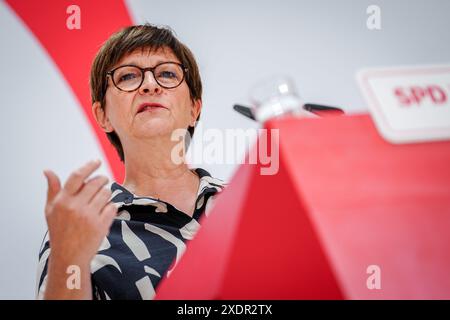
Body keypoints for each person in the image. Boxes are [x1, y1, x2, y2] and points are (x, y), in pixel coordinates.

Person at [36, 24, 225, 300]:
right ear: (103, 116)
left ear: (195, 109)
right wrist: (68, 260)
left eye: (167, 74)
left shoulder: (249, 206)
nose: (150, 85)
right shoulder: (80, 231)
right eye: (127, 77)